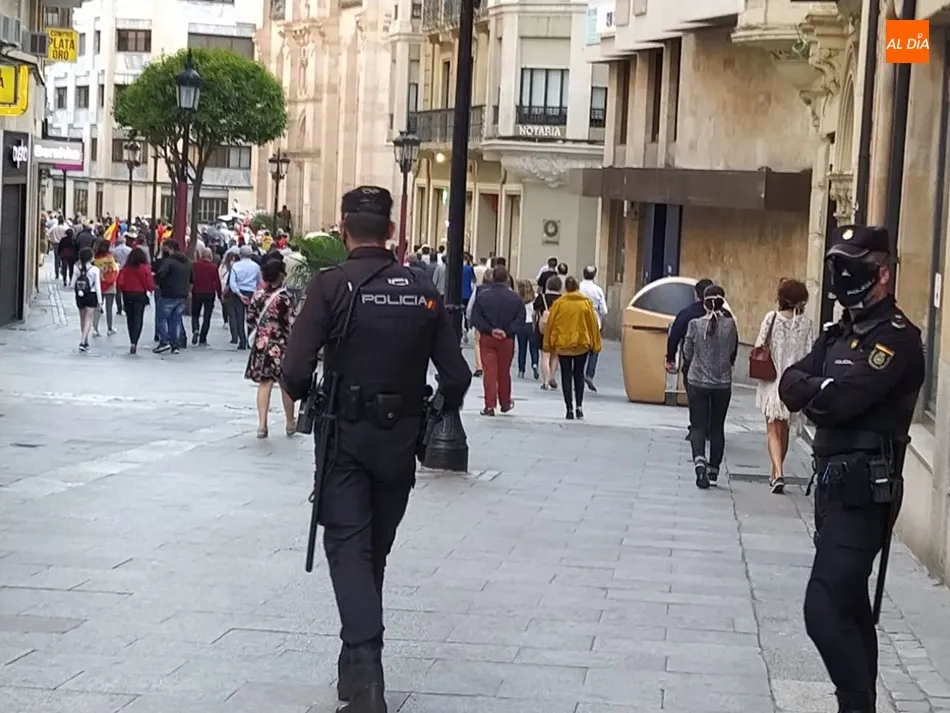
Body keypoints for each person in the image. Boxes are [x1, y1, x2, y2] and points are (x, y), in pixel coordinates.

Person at [281, 186, 472, 713]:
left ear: (343, 229)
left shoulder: (331, 286)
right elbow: (457, 375)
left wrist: (310, 394)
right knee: (373, 554)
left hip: (344, 438)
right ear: (391, 232)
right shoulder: (422, 291)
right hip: (400, 441)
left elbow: (294, 372)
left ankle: (367, 678)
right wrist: (432, 411)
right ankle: (353, 667)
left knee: (348, 550)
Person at [779, 225, 924, 713]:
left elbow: (839, 401)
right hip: (832, 486)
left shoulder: (898, 339)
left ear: (882, 273)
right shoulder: (839, 333)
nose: (843, 276)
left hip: (867, 490)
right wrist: (821, 390)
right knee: (850, 607)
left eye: (854, 266)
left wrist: (820, 391)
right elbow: (789, 382)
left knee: (823, 607)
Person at [754, 278, 817, 493]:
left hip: (773, 381)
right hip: (794, 383)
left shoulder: (771, 318)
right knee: (785, 430)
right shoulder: (808, 324)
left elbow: (759, 344)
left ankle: (778, 474)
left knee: (772, 429)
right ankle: (775, 473)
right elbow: (810, 353)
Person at [682, 284, 738, 489]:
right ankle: (714, 470)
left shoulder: (694, 324)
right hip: (722, 383)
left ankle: (699, 462)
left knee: (698, 425)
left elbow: (687, 352)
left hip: (697, 381)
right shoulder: (730, 326)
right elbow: (732, 350)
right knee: (717, 427)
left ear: (703, 303)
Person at [246, 259, 297, 438]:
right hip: (281, 344)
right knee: (285, 384)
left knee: (264, 383)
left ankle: (262, 425)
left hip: (261, 345)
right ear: (281, 275)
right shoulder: (286, 298)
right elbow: (292, 322)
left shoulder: (258, 295)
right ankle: (290, 422)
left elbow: (250, 318)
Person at [542, 276, 602, 420]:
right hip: (581, 344)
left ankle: (569, 408)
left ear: (566, 288)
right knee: (579, 374)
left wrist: (548, 344)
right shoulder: (586, 304)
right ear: (577, 287)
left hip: (563, 344)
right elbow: (593, 325)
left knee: (566, 375)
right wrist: (595, 344)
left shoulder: (559, 304)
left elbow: (551, 325)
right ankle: (579, 407)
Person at [470, 265, 525, 416]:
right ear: (507, 278)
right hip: (506, 339)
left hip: (488, 337)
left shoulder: (483, 296)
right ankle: (505, 401)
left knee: (489, 372)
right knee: (504, 371)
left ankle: (489, 405)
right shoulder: (516, 298)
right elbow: (520, 319)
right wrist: (507, 331)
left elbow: (475, 318)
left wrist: (490, 329)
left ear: (493, 278)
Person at [153, 240, 193, 355]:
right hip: (182, 295)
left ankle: (164, 341)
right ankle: (175, 345)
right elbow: (192, 279)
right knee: (176, 320)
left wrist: (156, 281)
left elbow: (161, 274)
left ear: (170, 248)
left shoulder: (169, 262)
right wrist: (188, 291)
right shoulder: (187, 262)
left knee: (161, 318)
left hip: (168, 293)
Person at [116, 246, 155, 354]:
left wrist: (121, 291)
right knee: (138, 318)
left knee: (130, 318)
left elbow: (120, 282)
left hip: (127, 294)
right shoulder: (145, 268)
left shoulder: (125, 268)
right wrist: (150, 289)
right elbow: (149, 282)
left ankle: (131, 339)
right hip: (140, 294)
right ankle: (135, 341)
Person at [579, 265, 608, 392]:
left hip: (579, 323)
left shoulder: (578, 288)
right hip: (595, 323)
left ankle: (578, 375)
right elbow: (604, 310)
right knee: (594, 349)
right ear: (594, 275)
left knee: (579, 350)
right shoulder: (597, 290)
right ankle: (589, 374)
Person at [228, 245, 262, 350]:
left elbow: (232, 283)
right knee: (251, 318)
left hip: (238, 293)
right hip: (251, 293)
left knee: (239, 317)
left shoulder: (235, 266)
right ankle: (250, 341)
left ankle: (242, 341)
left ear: (240, 254)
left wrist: (239, 294)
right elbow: (259, 282)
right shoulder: (256, 267)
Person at [534, 274, 562, 390]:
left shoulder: (542, 298)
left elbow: (535, 312)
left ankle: (545, 381)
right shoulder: (562, 300)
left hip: (544, 329)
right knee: (555, 355)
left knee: (545, 356)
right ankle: (551, 377)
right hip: (558, 330)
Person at [72, 247, 102, 352]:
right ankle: (82, 341)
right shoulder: (95, 270)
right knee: (88, 318)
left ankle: (85, 340)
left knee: (82, 318)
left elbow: (72, 284)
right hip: (91, 295)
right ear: (91, 258)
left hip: (80, 295)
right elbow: (98, 287)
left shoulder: (76, 268)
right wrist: (100, 301)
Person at [191, 247, 223, 346]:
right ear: (210, 256)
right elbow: (217, 282)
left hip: (197, 292)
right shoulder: (213, 267)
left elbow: (191, 279)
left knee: (195, 314)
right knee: (207, 316)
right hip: (209, 293)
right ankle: (203, 339)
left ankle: (195, 329)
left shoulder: (195, 265)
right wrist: (219, 295)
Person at [92, 239, 119, 337]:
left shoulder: (95, 259)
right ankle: (109, 328)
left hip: (98, 285)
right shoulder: (110, 258)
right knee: (109, 308)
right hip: (110, 286)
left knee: (97, 307)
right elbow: (115, 270)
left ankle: (95, 329)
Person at [515, 280, 539, 380]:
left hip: (521, 325)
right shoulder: (535, 297)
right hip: (531, 324)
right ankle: (535, 364)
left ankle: (521, 370)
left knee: (522, 349)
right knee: (534, 348)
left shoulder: (517, 298)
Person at [111, 231, 133, 316]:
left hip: (117, 270)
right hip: (127, 271)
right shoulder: (129, 250)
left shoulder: (114, 251)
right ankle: (126, 306)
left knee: (118, 291)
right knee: (126, 290)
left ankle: (119, 308)